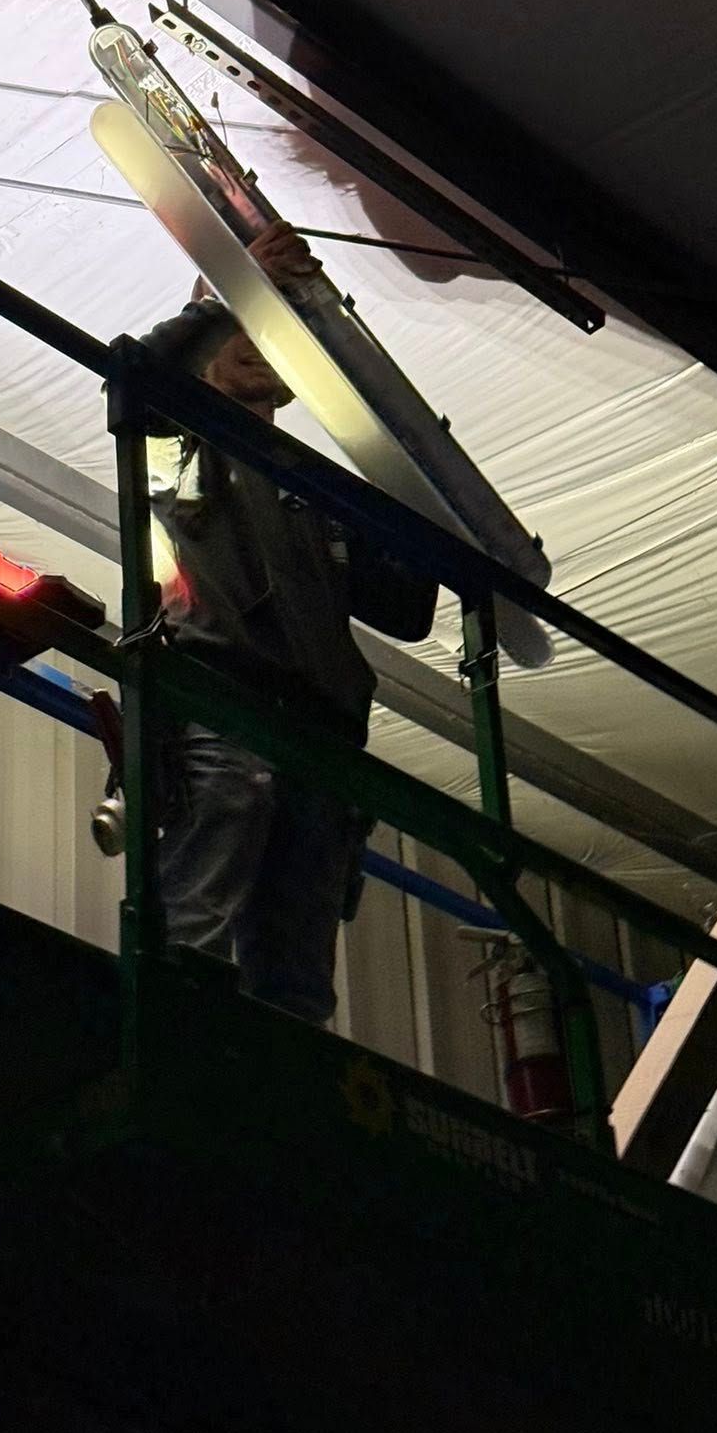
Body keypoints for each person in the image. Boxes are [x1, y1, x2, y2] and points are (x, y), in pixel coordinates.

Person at [136, 222, 437, 1025]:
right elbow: (140, 384)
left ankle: (273, 1102)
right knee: (199, 911)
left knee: (298, 975)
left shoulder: (316, 491)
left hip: (325, 735)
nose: (257, 340)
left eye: (273, 331)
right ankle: (171, 1055)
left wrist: (418, 488)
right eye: (239, 323)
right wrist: (233, 290)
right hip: (225, 698)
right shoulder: (178, 447)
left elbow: (407, 607)